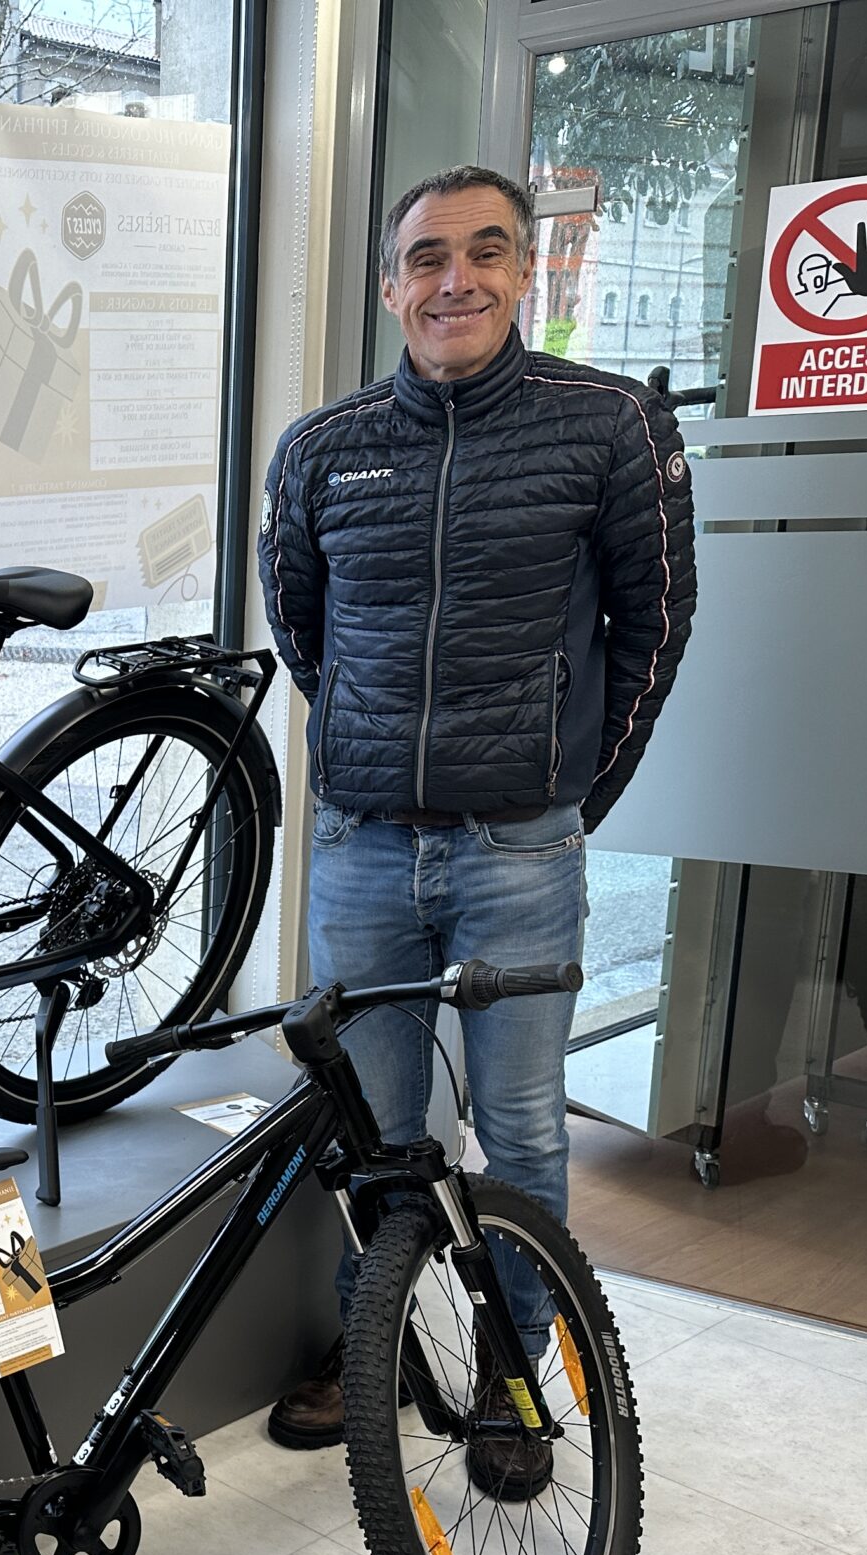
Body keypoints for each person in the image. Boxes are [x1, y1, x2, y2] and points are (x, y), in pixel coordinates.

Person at [255, 166, 697, 1480]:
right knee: (378, 1133)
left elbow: (655, 627)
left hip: (520, 851)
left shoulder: (608, 425)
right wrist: (375, 749)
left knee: (524, 1135)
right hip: (362, 847)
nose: (456, 280)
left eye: (485, 252)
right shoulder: (322, 448)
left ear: (523, 272)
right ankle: (378, 1346)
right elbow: (304, 631)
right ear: (391, 286)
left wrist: (568, 793)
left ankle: (511, 1376)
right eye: (428, 258)